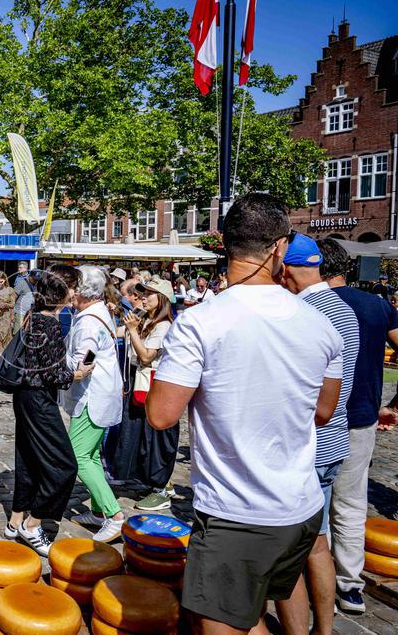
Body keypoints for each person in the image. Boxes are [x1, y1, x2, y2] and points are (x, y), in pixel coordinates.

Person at [146, 194, 343, 635]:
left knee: (220, 620)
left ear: (224, 245)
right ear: (279, 247)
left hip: (236, 511)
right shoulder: (321, 323)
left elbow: (161, 415)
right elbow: (324, 412)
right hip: (301, 505)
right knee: (274, 596)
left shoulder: (200, 322)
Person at [277, 235, 359, 635]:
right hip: (335, 441)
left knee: (286, 552)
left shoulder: (302, 314)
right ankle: (324, 629)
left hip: (306, 445)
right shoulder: (344, 309)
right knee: (318, 543)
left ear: (286, 270)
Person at [317, 237, 398, 614]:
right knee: (351, 504)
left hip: (321, 419)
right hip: (361, 417)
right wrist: (393, 405)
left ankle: (316, 581)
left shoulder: (313, 306)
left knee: (315, 504)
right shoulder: (376, 305)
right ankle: (349, 586)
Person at [6, 264, 93, 556]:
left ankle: (15, 520)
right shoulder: (49, 323)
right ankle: (32, 525)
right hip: (38, 398)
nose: (76, 292)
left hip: (24, 394)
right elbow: (54, 374)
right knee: (65, 466)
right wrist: (78, 374)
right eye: (74, 287)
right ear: (62, 290)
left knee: (28, 458)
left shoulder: (34, 316)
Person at [63, 266, 125, 542]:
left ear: (82, 292)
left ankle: (114, 515)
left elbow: (84, 361)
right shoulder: (97, 312)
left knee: (78, 456)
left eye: (73, 288)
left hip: (92, 396)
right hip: (101, 391)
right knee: (90, 455)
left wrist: (58, 365)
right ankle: (100, 511)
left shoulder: (88, 321)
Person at [111, 277, 177, 511]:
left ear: (162, 298)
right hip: (138, 383)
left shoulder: (163, 325)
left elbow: (147, 356)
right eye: (143, 293)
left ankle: (161, 488)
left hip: (152, 385)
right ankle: (149, 480)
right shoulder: (146, 319)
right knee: (138, 434)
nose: (143, 298)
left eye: (149, 294)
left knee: (154, 438)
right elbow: (119, 333)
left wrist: (132, 329)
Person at [13, 261, 35, 328]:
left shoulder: (30, 278)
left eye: (20, 267)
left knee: (25, 326)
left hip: (27, 305)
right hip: (18, 303)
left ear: (25, 268)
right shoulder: (18, 277)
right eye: (18, 267)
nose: (18, 269)